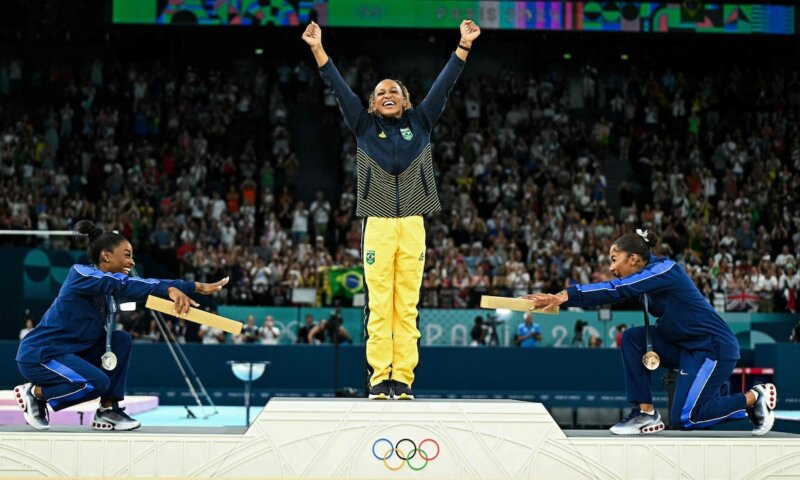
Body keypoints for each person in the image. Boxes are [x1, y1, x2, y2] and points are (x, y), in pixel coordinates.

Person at [302, 19, 480, 400]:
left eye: (394, 91)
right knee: (380, 305)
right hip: (378, 224)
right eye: (381, 91)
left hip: (413, 223)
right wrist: (319, 49)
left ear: (406, 100)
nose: (387, 94)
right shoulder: (363, 125)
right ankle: (379, 378)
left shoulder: (421, 122)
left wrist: (463, 46)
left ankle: (404, 380)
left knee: (408, 307)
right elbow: (337, 86)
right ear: (371, 102)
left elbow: (444, 85)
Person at [523, 229, 777, 436]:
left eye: (614, 259)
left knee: (685, 418)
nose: (612, 267)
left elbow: (616, 289)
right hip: (684, 347)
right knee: (633, 339)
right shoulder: (646, 276)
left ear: (633, 258)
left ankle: (754, 398)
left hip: (713, 348)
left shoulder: (665, 269)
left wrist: (564, 296)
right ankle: (645, 413)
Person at [14, 220, 228, 431]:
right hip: (41, 355)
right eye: (127, 255)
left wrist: (183, 290)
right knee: (96, 382)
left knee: (121, 339)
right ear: (106, 255)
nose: (132, 262)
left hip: (73, 354)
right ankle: (35, 393)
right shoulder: (79, 273)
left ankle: (108, 409)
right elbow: (125, 285)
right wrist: (179, 287)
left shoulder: (109, 292)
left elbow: (136, 290)